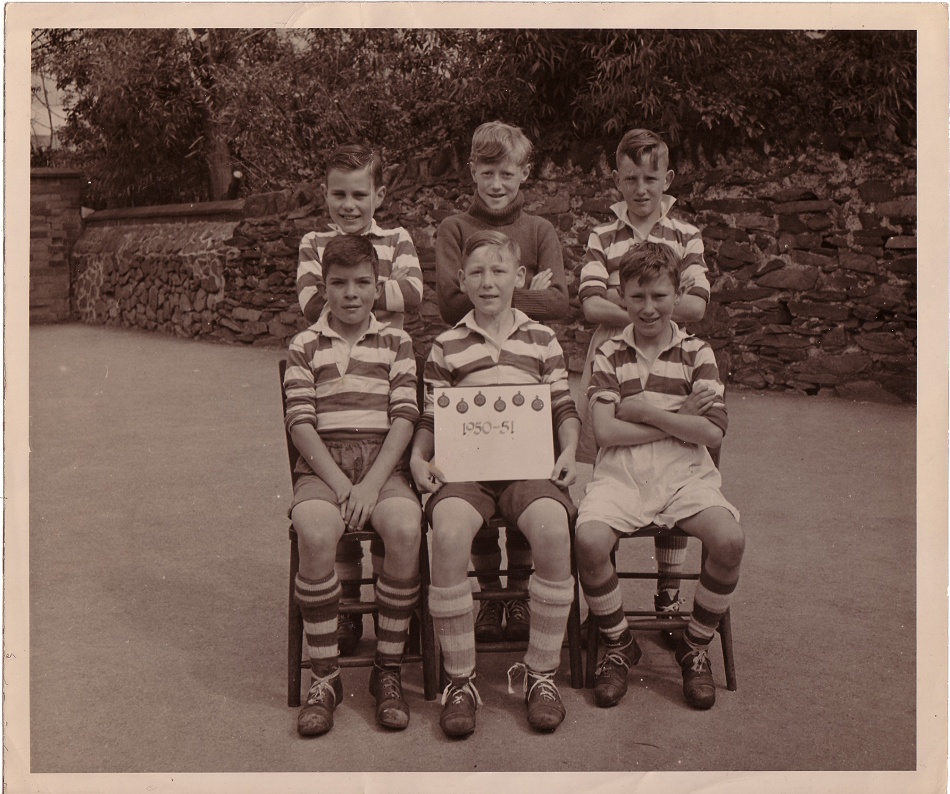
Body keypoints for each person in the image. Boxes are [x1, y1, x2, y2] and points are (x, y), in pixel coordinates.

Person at [410, 231, 579, 738]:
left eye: (499, 271)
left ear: (519, 279)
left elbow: (564, 409)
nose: (488, 282)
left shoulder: (542, 339)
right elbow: (430, 418)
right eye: (477, 272)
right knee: (448, 533)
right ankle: (460, 682)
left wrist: (569, 451)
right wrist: (420, 461)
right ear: (462, 280)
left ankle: (541, 672)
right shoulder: (447, 344)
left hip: (529, 469)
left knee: (552, 528)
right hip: (467, 473)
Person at [575, 242, 744, 711]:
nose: (648, 308)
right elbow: (604, 430)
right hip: (621, 476)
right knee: (588, 540)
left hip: (685, 474)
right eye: (637, 297)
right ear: (622, 298)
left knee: (729, 540)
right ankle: (619, 642)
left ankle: (695, 644)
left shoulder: (697, 351)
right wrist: (677, 415)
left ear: (677, 294)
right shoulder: (609, 351)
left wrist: (646, 410)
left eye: (660, 296)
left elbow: (711, 430)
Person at [435, 121, 570, 644]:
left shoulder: (539, 231)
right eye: (486, 172)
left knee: (523, 482)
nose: (496, 184)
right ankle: (490, 595)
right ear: (472, 170)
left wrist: (501, 298)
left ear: (524, 174)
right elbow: (449, 305)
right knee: (476, 476)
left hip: (523, 382)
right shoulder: (454, 228)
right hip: (470, 381)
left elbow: (560, 302)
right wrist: (522, 288)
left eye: (507, 173)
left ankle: (517, 596)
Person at [575, 128, 711, 644]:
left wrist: (624, 294)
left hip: (672, 360)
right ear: (617, 178)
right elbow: (589, 305)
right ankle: (601, 600)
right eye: (630, 178)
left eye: (651, 178)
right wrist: (647, 303)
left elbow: (697, 305)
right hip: (612, 359)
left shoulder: (686, 233)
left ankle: (668, 595)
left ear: (667, 179)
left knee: (674, 460)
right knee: (608, 469)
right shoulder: (600, 234)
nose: (640, 188)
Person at [284, 234, 422, 736]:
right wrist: (344, 485)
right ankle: (326, 676)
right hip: (324, 467)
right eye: (338, 283)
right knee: (317, 532)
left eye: (362, 282)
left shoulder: (396, 342)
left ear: (378, 285)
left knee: (406, 528)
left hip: (385, 463)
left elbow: (406, 416)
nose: (350, 294)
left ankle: (388, 668)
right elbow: (300, 422)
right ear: (323, 287)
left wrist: (371, 484)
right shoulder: (304, 345)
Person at [297, 143, 424, 656]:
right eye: (338, 194)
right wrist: (376, 287)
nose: (349, 206)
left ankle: (396, 617)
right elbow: (310, 304)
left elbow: (414, 294)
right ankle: (347, 606)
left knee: (390, 509)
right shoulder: (313, 240)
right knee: (336, 518)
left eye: (359, 195)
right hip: (337, 376)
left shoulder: (397, 237)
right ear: (325, 194)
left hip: (387, 365)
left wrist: (372, 294)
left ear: (379, 195)